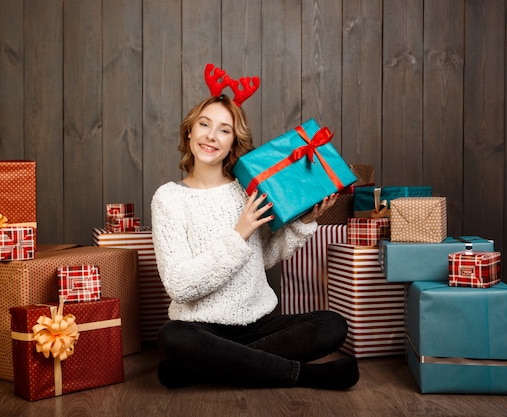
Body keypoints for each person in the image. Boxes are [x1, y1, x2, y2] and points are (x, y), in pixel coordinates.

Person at [150, 84, 359, 390]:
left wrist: (305, 221)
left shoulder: (248, 190)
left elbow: (265, 258)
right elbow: (180, 286)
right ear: (190, 133)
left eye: (224, 130)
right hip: (200, 329)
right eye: (204, 125)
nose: (211, 136)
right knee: (172, 336)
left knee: (332, 326)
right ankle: (304, 375)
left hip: (258, 326)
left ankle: (199, 372)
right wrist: (239, 233)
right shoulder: (168, 198)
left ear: (233, 142)